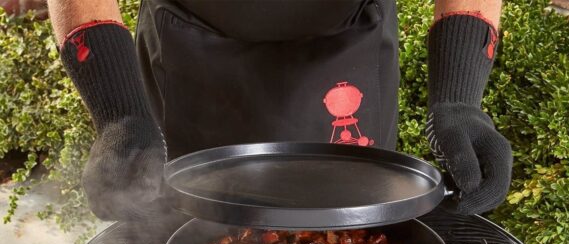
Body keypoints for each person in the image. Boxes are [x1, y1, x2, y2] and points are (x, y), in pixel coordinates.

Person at [47, 0, 512, 220]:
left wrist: (459, 95)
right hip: (187, 49)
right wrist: (121, 114)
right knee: (191, 230)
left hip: (349, 44)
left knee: (354, 231)